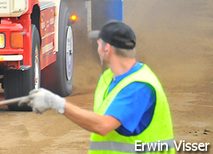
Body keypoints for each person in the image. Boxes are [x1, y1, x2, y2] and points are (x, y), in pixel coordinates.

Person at [23, 21, 174, 153]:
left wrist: (56, 103)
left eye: (98, 44)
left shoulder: (138, 86)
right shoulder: (108, 78)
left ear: (107, 49)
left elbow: (103, 125)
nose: (98, 48)